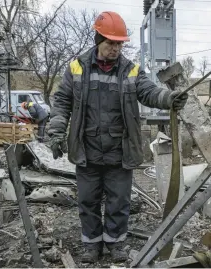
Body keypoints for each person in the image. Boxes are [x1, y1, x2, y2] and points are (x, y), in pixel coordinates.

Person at [47, 11, 188, 263]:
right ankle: (91, 245)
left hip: (119, 150)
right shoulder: (76, 67)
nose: (115, 48)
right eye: (110, 43)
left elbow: (148, 92)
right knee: (87, 200)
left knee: (118, 202)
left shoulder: (131, 70)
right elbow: (62, 101)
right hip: (86, 149)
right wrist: (56, 131)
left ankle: (115, 243)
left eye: (119, 43)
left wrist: (169, 99)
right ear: (98, 40)